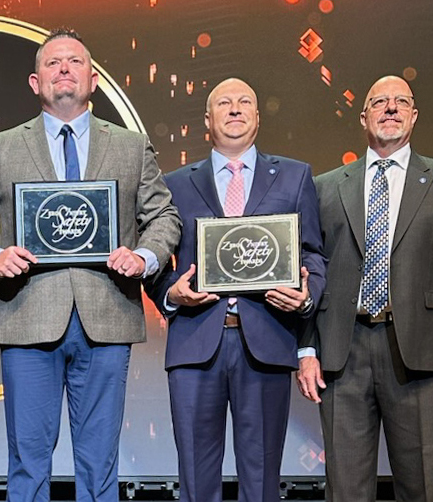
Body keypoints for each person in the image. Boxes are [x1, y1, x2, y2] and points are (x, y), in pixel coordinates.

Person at [0, 28, 181, 502]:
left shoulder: (132, 147)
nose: (64, 70)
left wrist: (143, 256)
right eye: (52, 63)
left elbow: (165, 217)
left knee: (100, 464)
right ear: (35, 83)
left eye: (74, 62)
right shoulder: (3, 147)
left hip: (107, 318)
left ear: (92, 78)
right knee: (28, 461)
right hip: (27, 318)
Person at [297, 75, 433, 502]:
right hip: (343, 353)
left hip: (419, 352)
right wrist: (306, 349)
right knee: (345, 489)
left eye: (401, 101)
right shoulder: (325, 187)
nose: (391, 108)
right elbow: (309, 271)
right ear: (364, 117)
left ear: (414, 115)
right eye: (380, 101)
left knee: (421, 486)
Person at [148, 78, 326, 502]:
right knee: (195, 477)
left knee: (263, 479)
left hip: (265, 343)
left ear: (258, 118)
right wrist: (173, 295)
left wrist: (307, 295)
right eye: (223, 103)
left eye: (245, 101)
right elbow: (155, 260)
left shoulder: (294, 175)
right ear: (207, 121)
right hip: (195, 343)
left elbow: (314, 255)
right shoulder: (173, 183)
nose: (235, 109)